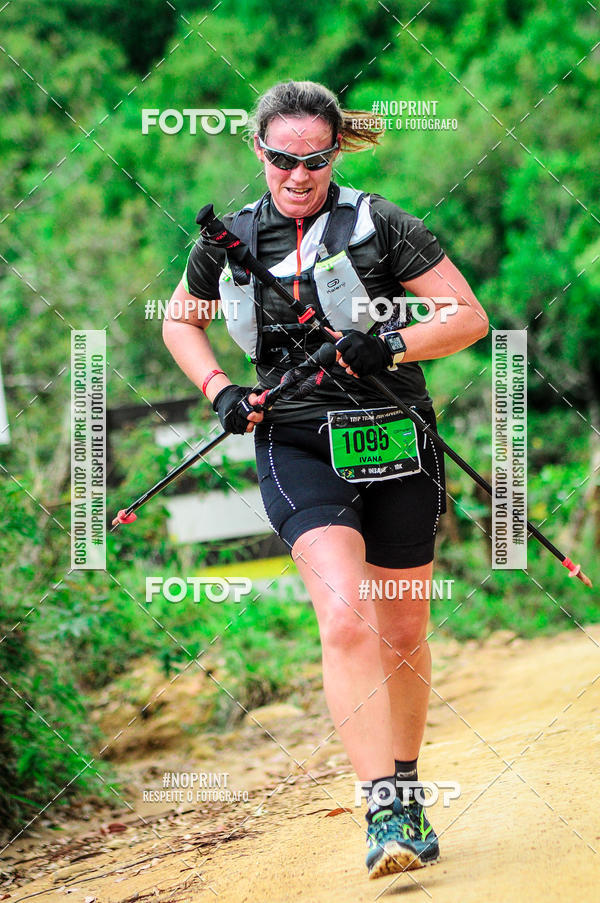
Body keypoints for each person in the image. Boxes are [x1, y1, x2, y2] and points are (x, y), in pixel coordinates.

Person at [163, 79, 488, 879]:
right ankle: (381, 808)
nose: (298, 176)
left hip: (391, 432)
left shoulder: (381, 224)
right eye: (282, 160)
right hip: (296, 440)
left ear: (335, 151)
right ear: (258, 152)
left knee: (403, 630)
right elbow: (181, 317)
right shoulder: (231, 237)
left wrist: (396, 346)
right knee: (345, 615)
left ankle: (409, 787)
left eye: (314, 160)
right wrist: (220, 391)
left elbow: (467, 315)